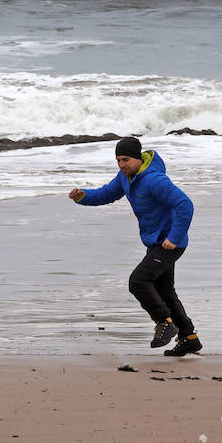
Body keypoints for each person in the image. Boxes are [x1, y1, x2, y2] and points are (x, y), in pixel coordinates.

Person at [68, 136, 203, 355]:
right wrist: (83, 196)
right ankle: (189, 337)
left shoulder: (154, 180)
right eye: (118, 160)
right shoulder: (126, 177)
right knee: (165, 291)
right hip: (156, 243)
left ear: (138, 158)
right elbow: (107, 193)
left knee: (138, 281)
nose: (122, 165)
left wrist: (175, 237)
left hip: (170, 244)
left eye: (126, 159)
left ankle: (164, 323)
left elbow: (184, 204)